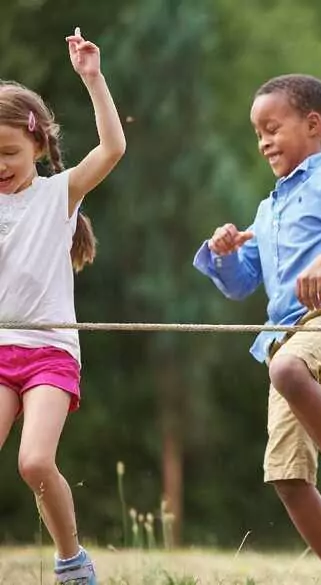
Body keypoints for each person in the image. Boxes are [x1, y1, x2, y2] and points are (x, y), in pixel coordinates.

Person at [194, 74, 321, 585]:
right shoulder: (268, 210)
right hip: (284, 337)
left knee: (287, 367)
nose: (263, 141)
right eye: (257, 132)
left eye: (272, 127)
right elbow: (243, 284)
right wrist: (223, 255)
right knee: (286, 477)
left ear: (312, 124)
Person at [0, 28, 126, 585]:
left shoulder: (59, 194)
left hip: (50, 350)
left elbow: (113, 149)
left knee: (33, 461)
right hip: (0, 347)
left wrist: (92, 79)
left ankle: (72, 560)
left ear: (38, 147)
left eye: (8, 153)